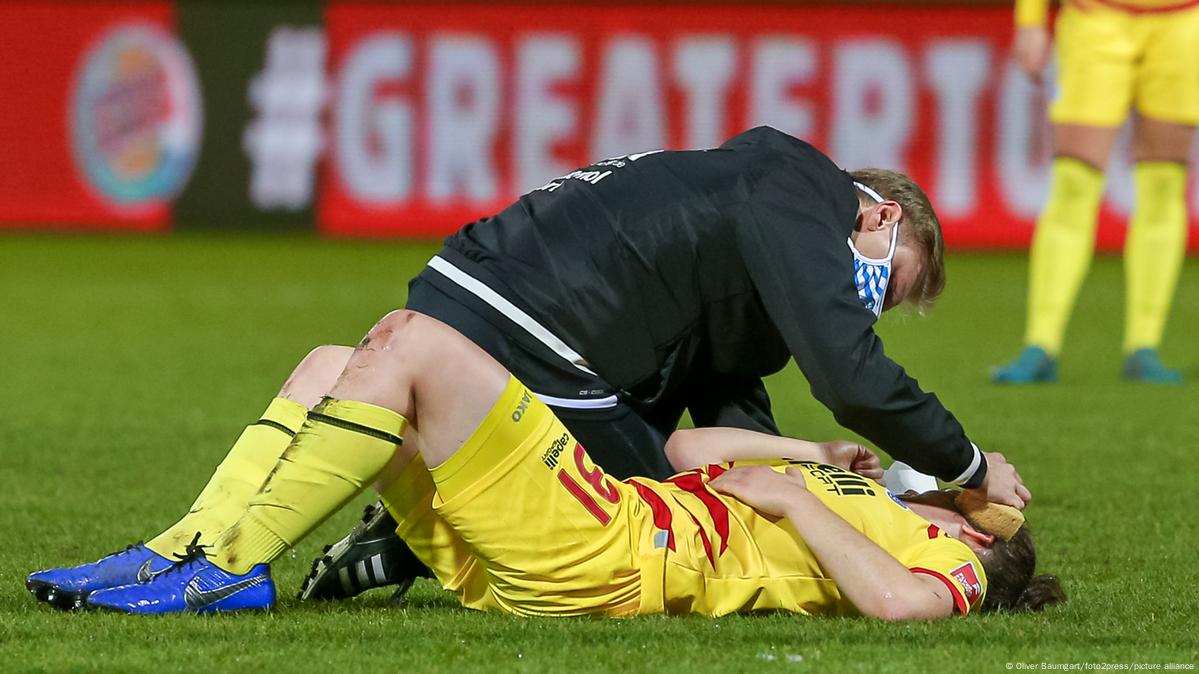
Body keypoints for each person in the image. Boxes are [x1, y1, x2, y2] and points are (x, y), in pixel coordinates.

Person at [298, 127, 1031, 601]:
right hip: (553, 327)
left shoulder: (772, 245)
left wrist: (798, 465)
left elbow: (722, 403)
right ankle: (398, 543)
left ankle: (399, 542)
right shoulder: (792, 224)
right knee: (624, 508)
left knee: (643, 490)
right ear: (877, 219)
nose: (870, 308)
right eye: (888, 286)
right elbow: (851, 380)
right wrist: (966, 468)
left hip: (543, 314)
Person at [27, 312, 1064, 618]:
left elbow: (895, 607)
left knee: (416, 341)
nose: (957, 482)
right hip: (579, 529)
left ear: (978, 528)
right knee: (333, 363)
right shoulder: (862, 488)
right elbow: (691, 447)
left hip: (615, 545)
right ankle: (182, 549)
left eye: (972, 493)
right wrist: (811, 454)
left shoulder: (953, 560)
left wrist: (796, 496)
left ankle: (230, 562)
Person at [991, 0, 1196, 384]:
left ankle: (1144, 346)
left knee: (1165, 183)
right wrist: (1031, 20)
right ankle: (1041, 344)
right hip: (1095, 18)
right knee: (1073, 181)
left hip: (1184, 22)